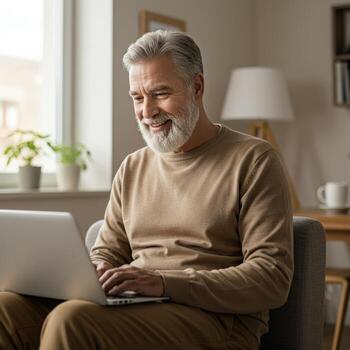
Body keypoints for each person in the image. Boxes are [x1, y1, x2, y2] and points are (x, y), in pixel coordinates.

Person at [0, 30, 293, 350]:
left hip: (217, 320)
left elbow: (271, 278)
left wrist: (165, 282)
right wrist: (96, 273)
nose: (147, 111)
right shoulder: (133, 166)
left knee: (72, 320)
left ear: (197, 87)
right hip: (139, 307)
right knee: (6, 308)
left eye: (160, 93)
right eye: (137, 98)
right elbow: (107, 251)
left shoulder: (254, 159)